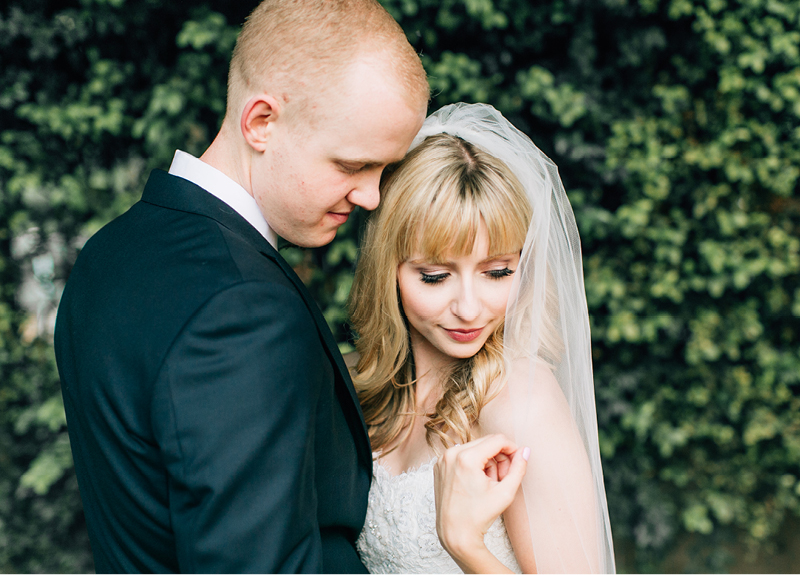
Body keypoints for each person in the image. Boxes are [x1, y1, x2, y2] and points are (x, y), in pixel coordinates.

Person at [53, 0, 433, 571]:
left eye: (385, 170)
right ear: (261, 122)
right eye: (353, 165)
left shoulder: (109, 252)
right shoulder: (242, 309)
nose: (372, 197)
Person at [349, 103, 616, 573]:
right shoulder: (355, 383)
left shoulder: (521, 405)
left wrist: (466, 545)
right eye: (435, 276)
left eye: (497, 272)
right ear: (386, 270)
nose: (470, 308)